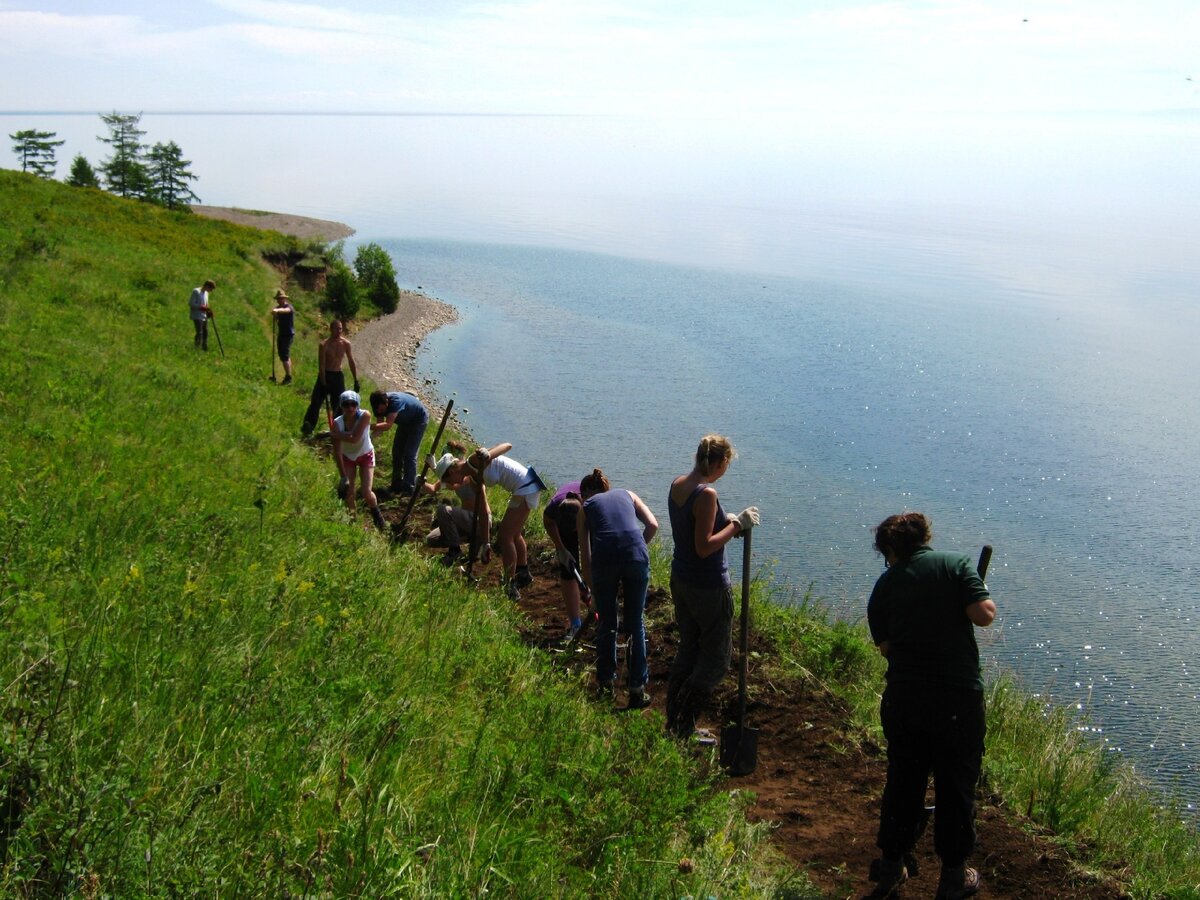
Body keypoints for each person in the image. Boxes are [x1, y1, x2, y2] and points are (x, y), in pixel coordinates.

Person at [865, 512, 996, 900]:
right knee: (955, 785)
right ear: (926, 537)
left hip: (905, 699)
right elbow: (983, 615)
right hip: (957, 699)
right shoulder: (955, 565)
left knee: (904, 779)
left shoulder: (884, 585)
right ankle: (953, 876)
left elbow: (888, 649)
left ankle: (891, 865)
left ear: (891, 549)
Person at [665, 434, 759, 738]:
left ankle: (674, 721)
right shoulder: (707, 495)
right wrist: (736, 524)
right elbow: (704, 547)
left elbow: (694, 530)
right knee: (715, 661)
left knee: (688, 649)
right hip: (707, 586)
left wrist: (724, 523)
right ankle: (683, 724)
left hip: (682, 580)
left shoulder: (678, 484)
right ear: (721, 462)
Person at [577, 468, 658, 708]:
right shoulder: (628, 494)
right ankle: (636, 689)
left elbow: (586, 557)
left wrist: (592, 592)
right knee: (635, 623)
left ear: (585, 494)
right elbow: (652, 525)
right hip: (636, 554)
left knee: (607, 623)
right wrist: (634, 550)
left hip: (605, 559)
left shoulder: (585, 508)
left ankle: (605, 685)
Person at [428, 443, 543, 598]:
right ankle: (523, 573)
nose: (450, 484)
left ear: (453, 470)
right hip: (524, 487)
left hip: (525, 486)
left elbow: (507, 446)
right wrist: (486, 543)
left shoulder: (474, 461)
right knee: (514, 535)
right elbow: (482, 513)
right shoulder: (474, 476)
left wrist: (488, 454)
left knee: (505, 537)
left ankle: (510, 584)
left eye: (448, 479)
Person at [330, 390, 386, 532]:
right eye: (346, 404)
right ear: (341, 406)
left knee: (367, 492)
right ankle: (352, 523)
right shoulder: (337, 424)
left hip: (366, 454)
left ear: (358, 405)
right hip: (347, 457)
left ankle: (379, 520)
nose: (350, 408)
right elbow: (337, 451)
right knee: (349, 493)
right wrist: (343, 476)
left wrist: (336, 435)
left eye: (353, 404)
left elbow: (355, 437)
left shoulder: (365, 415)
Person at [543, 480, 588, 640]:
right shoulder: (554, 508)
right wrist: (561, 549)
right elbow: (548, 523)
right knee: (568, 570)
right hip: (568, 519)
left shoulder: (592, 507)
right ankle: (575, 623)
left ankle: (603, 616)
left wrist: (588, 581)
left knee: (596, 566)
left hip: (587, 519)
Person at [301, 319, 359, 439]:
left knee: (338, 405)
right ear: (330, 329)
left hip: (338, 376)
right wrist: (323, 381)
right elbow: (321, 365)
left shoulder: (346, 344)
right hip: (326, 374)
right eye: (335, 328)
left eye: (340, 329)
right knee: (316, 403)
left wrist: (355, 380)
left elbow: (351, 361)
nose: (338, 331)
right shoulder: (324, 345)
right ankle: (308, 426)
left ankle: (338, 431)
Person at [369, 390, 429, 498]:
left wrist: (366, 425)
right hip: (405, 421)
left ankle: (408, 489)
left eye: (383, 409)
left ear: (387, 402)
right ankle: (396, 484)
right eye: (379, 409)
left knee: (409, 455)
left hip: (418, 420)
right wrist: (369, 438)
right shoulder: (377, 406)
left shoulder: (395, 401)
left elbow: (387, 426)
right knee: (397, 452)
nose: (381, 411)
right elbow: (380, 428)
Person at [271, 289, 295, 384]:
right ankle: (288, 374)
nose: (279, 300)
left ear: (284, 299)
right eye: (278, 299)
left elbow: (286, 311)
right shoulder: (278, 308)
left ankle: (288, 377)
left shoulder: (288, 307)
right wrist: (275, 315)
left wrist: (277, 310)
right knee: (282, 355)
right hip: (282, 333)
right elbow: (277, 317)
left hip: (288, 334)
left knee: (284, 355)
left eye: (281, 298)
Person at [189, 279, 215, 350]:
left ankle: (204, 347)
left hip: (204, 316)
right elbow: (191, 303)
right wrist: (201, 307)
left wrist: (208, 311)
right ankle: (196, 347)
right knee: (199, 332)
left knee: (205, 332)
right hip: (196, 315)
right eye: (211, 289)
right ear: (206, 286)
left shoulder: (206, 293)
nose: (211, 291)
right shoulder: (196, 291)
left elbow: (206, 304)